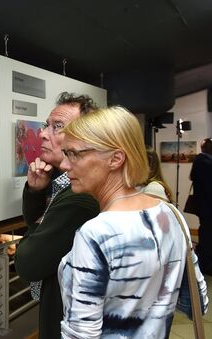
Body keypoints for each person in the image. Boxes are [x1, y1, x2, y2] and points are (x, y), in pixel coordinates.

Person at [58, 106, 208, 337]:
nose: (64, 165)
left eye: (74, 154)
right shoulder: (171, 215)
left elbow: (81, 334)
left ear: (116, 158)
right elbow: (197, 302)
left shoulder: (95, 233)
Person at [13, 92, 100, 338]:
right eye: (46, 126)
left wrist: (39, 228)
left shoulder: (80, 197)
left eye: (57, 127)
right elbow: (37, 228)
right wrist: (36, 191)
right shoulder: (62, 184)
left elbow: (28, 262)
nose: (42, 133)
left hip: (67, 320)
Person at [191, 137, 212, 274]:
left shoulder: (201, 162)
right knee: (207, 235)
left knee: (206, 233)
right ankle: (207, 265)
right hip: (208, 207)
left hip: (205, 207)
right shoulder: (205, 162)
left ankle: (206, 263)